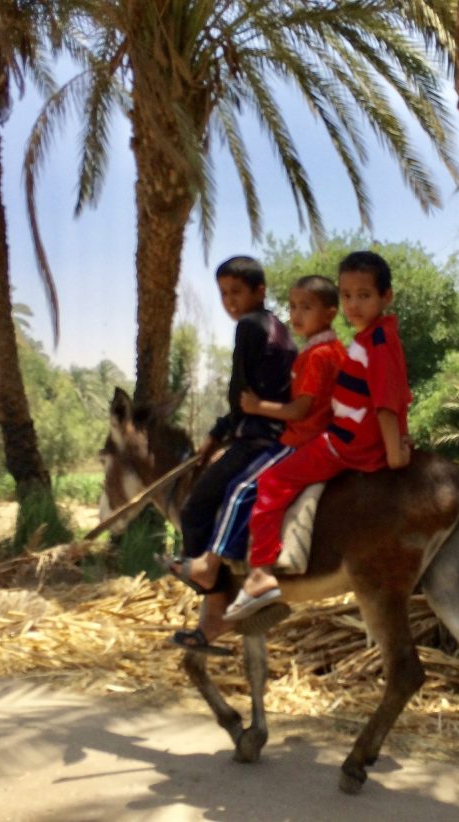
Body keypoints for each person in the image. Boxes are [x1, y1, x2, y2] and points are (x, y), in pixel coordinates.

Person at [225, 250, 412, 622]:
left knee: (272, 481)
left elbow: (386, 402)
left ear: (386, 297)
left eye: (364, 296)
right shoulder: (369, 337)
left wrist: (395, 456)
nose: (353, 305)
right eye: (347, 296)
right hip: (353, 436)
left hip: (346, 445)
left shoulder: (375, 343)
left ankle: (261, 573)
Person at [166, 255, 295, 653]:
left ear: (260, 291)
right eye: (223, 294)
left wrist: (218, 434)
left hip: (259, 437)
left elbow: (241, 396)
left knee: (194, 509)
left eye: (237, 292)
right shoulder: (278, 328)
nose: (230, 302)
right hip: (263, 429)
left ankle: (214, 601)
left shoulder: (250, 326)